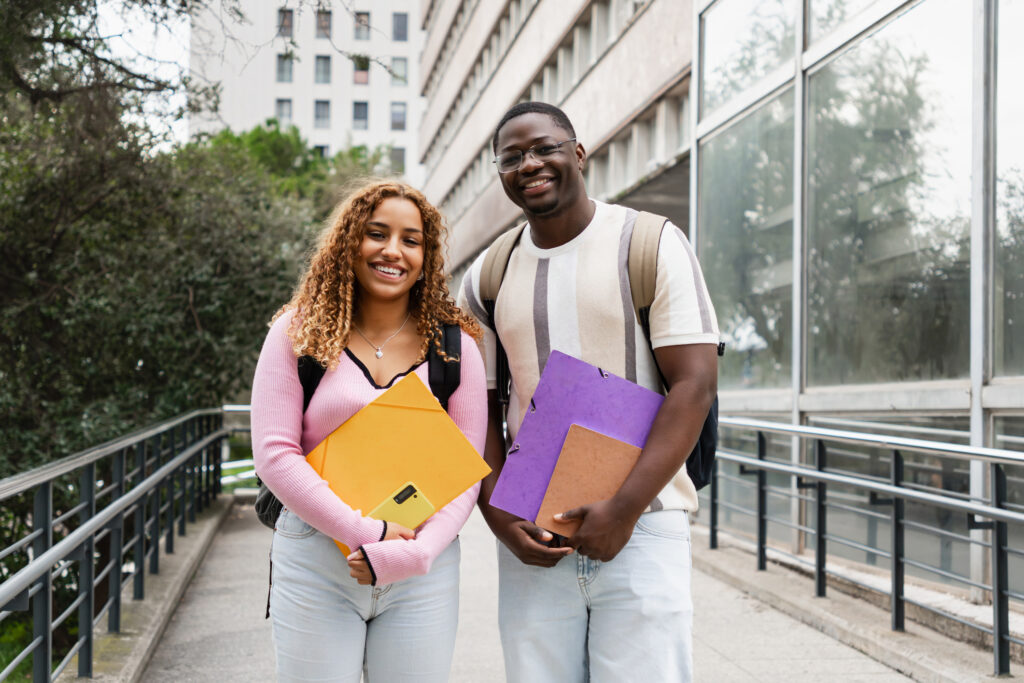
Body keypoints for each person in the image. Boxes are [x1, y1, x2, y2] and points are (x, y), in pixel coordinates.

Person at [457, 102, 720, 682]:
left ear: (578, 153)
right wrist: (500, 514)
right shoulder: (487, 275)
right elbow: (477, 413)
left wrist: (623, 511)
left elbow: (695, 385)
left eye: (545, 147)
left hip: (645, 523)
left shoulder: (649, 242)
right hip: (533, 528)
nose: (529, 163)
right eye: (512, 157)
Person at [251, 180, 487, 683]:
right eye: (376, 233)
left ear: (427, 256)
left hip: (422, 563)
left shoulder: (454, 346)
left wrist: (416, 552)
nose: (393, 251)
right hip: (317, 558)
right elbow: (274, 453)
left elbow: (465, 469)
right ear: (348, 241)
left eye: (411, 240)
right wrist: (367, 533)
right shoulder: (298, 332)